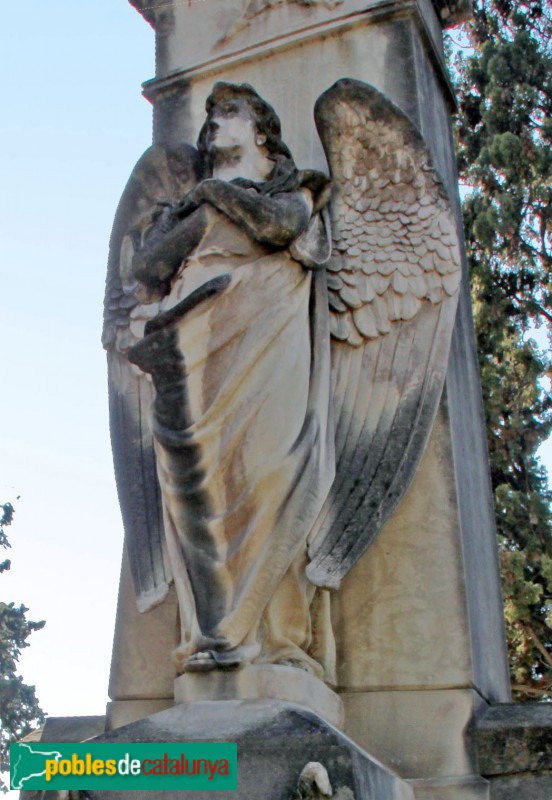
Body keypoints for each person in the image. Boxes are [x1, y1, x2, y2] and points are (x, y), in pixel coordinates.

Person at [127, 82, 336, 678]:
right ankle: (213, 632)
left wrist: (213, 194)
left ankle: (279, 638)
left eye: (230, 113)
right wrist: (201, 206)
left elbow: (279, 225)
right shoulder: (191, 209)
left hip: (265, 344)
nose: (215, 122)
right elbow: (147, 265)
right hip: (193, 354)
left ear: (262, 131)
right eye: (211, 115)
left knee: (273, 477)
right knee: (196, 493)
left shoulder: (290, 191)